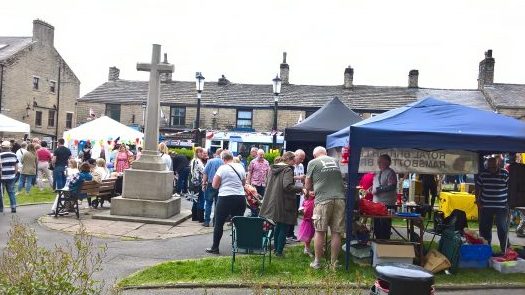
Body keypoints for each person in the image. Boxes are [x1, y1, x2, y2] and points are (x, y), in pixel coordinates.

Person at [305, 146, 345, 270]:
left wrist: (310, 190)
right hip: (339, 199)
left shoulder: (313, 162)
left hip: (323, 200)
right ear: (326, 153)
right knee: (336, 232)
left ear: (315, 155)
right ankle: (334, 263)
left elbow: (307, 184)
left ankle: (317, 262)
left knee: (320, 231)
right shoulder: (335, 161)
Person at [259, 151, 303, 257]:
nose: (295, 161)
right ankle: (279, 251)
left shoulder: (273, 168)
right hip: (284, 202)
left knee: (278, 226)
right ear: (289, 159)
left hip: (273, 201)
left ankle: (276, 250)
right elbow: (287, 186)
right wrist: (301, 189)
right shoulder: (287, 169)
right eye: (294, 159)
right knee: (284, 226)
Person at [205, 150, 246, 254]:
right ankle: (241, 245)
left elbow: (214, 185)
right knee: (239, 223)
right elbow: (243, 183)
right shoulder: (240, 167)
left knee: (219, 223)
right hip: (240, 197)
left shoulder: (222, 168)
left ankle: (215, 247)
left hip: (225, 197)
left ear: (223, 159)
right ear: (232, 157)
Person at [476, 157, 510, 252]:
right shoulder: (483, 174)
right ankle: (486, 249)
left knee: (502, 227)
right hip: (486, 206)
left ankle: (505, 249)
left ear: (498, 164)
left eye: (494, 167)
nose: (492, 169)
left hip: (501, 206)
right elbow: (478, 188)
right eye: (490, 167)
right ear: (487, 166)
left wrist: (509, 202)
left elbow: (510, 189)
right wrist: (478, 201)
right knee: (485, 228)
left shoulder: (505, 173)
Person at [372, 154, 398, 240]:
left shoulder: (391, 173)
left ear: (387, 162)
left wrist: (378, 190)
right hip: (377, 204)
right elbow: (377, 185)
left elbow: (392, 186)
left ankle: (384, 245)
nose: (378, 163)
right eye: (378, 161)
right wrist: (370, 189)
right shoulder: (378, 173)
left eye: (380, 161)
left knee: (384, 228)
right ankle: (378, 245)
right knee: (377, 228)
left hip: (386, 204)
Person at [287, 149, 306, 241]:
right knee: (290, 212)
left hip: (298, 191)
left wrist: (303, 183)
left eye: (303, 159)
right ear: (296, 155)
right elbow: (287, 178)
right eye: (300, 158)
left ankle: (291, 233)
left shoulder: (301, 165)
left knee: (295, 213)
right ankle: (288, 232)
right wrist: (299, 177)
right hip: (291, 191)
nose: (302, 161)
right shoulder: (290, 165)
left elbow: (301, 177)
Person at [202, 148, 224, 227]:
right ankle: (215, 222)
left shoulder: (210, 161)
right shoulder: (224, 162)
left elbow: (205, 173)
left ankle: (207, 222)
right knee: (217, 204)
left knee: (208, 203)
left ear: (216, 153)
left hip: (211, 184)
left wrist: (204, 183)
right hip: (220, 185)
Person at [0, 140, 19, 213]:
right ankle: (13, 207)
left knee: (1, 193)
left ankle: (1, 208)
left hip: (2, 177)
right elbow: (16, 166)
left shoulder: (0, 155)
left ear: (2, 147)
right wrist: (14, 174)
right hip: (11, 176)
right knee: (11, 192)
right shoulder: (14, 155)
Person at [190, 147, 206, 222]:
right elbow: (204, 171)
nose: (202, 154)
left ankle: (194, 216)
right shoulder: (198, 161)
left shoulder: (193, 160)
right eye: (201, 152)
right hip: (199, 182)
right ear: (197, 153)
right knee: (201, 199)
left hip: (193, 182)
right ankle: (200, 218)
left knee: (195, 199)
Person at [298, 190, 315, 257]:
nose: (313, 192)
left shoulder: (315, 201)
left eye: (314, 190)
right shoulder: (305, 201)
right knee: (308, 237)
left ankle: (311, 248)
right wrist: (302, 211)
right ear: (307, 192)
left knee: (312, 236)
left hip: (313, 221)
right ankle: (307, 249)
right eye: (311, 191)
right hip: (307, 222)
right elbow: (302, 210)